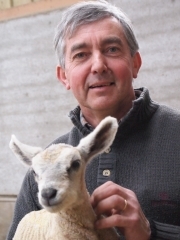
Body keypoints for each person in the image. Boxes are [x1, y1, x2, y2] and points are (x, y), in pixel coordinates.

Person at [7, 0, 180, 239]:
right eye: (81, 55)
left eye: (112, 49)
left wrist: (152, 232)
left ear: (135, 64)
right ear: (64, 76)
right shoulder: (42, 169)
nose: (98, 65)